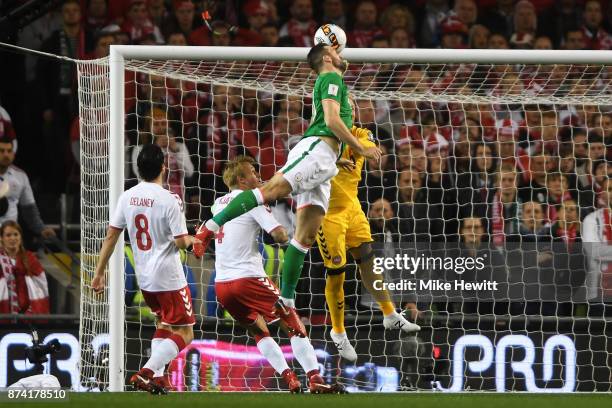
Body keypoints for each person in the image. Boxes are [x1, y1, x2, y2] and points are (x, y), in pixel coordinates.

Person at [195, 44, 381, 316]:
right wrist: (360, 147)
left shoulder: (331, 80)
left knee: (303, 237)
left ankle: (287, 301)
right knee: (267, 191)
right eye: (335, 51)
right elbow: (330, 120)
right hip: (316, 151)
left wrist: (335, 156)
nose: (341, 54)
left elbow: (324, 119)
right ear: (327, 57)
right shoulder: (331, 78)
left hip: (324, 160)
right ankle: (207, 229)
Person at [212, 156, 341, 393]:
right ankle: (315, 378)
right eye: (252, 172)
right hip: (248, 278)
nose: (259, 176)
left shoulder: (218, 203)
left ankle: (289, 377)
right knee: (290, 318)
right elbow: (279, 234)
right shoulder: (251, 201)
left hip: (221, 284)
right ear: (242, 180)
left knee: (258, 330)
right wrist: (298, 239)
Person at [316, 97, 419, 361]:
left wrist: (356, 150)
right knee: (336, 272)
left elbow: (368, 146)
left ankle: (389, 314)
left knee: (368, 259)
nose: (348, 111)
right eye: (342, 107)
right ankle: (338, 332)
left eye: (350, 107)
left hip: (353, 208)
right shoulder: (318, 139)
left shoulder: (362, 132)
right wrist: (334, 162)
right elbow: (306, 166)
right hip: (327, 212)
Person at [91, 144, 198, 394]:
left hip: (146, 278)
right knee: (186, 333)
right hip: (169, 277)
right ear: (164, 167)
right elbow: (182, 243)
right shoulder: (170, 199)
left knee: (164, 324)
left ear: (138, 169)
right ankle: (146, 372)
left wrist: (98, 273)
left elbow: (111, 237)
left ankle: (158, 378)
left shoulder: (127, 196)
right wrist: (197, 240)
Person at [0, 136, 55, 239]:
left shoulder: (20, 176)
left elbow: (29, 210)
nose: (6, 154)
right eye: (1, 151)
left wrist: (41, 228)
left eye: (9, 151)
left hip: (10, 238)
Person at [0, 221, 50, 315]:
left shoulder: (30, 259)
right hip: (3, 316)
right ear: (2, 238)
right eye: (8, 235)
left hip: (27, 315)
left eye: (16, 234)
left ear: (20, 237)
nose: (13, 238)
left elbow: (40, 287)